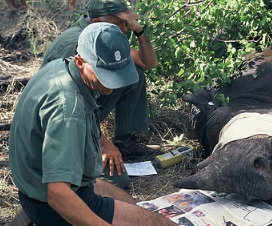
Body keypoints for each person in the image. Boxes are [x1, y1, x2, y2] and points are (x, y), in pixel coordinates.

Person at [9, 22, 177, 226]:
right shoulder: (68, 111)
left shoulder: (62, 66)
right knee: (161, 224)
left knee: (130, 203)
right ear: (80, 62)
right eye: (104, 73)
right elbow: (57, 194)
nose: (114, 83)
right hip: (49, 202)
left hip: (41, 182)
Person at [40, 0, 159, 188]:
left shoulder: (103, 34)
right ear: (97, 21)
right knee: (118, 180)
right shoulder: (75, 43)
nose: (124, 29)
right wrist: (102, 143)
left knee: (134, 74)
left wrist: (140, 31)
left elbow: (149, 62)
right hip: (62, 121)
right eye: (120, 23)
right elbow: (71, 104)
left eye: (125, 23)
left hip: (82, 108)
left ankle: (124, 141)